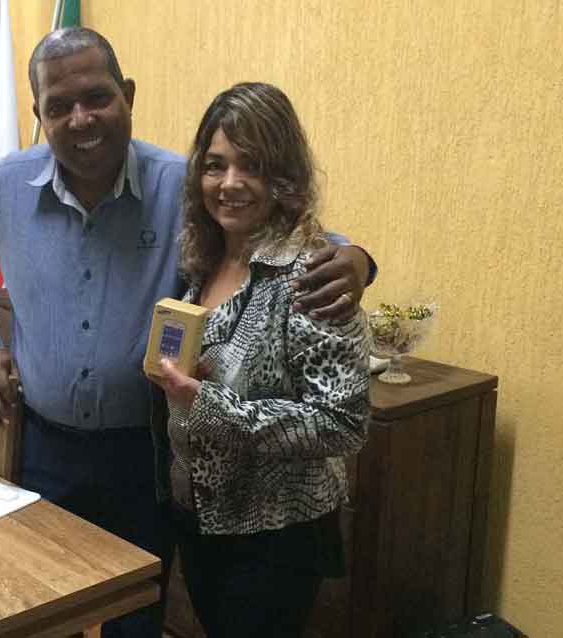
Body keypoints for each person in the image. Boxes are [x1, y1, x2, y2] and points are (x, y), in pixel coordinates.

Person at [0, 28, 372, 638]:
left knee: (134, 618)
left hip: (145, 460)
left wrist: (358, 259)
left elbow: (286, 239)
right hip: (43, 449)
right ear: (38, 113)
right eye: (59, 106)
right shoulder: (4, 186)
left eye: (97, 97)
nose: (81, 119)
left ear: (129, 95)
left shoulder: (181, 185)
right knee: (40, 608)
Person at [148, 82, 371, 638]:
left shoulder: (312, 275)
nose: (229, 183)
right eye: (215, 165)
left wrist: (209, 406)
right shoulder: (203, 259)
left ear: (283, 177)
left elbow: (342, 421)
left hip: (276, 537)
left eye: (250, 165)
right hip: (200, 522)